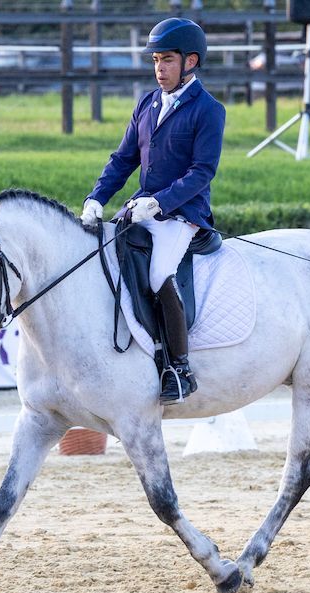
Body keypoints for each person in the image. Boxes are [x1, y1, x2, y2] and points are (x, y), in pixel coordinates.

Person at [81, 17, 226, 405]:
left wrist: (160, 202)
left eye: (167, 60)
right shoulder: (147, 103)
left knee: (160, 272)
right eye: (155, 60)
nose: (159, 68)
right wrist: (97, 197)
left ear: (190, 62)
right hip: (141, 210)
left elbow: (202, 172)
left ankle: (179, 368)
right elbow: (123, 158)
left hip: (182, 215)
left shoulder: (209, 110)